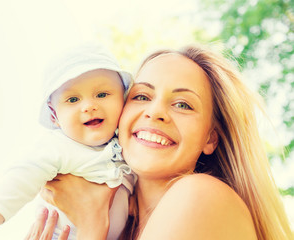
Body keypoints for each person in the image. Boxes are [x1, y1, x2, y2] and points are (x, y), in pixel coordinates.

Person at [25, 45, 293, 240]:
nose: (155, 112)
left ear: (210, 138)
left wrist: (92, 226)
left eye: (183, 104)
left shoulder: (199, 194)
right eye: (142, 96)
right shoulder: (126, 227)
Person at [0, 43, 136, 240]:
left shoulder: (130, 148)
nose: (89, 106)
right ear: (54, 115)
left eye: (102, 94)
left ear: (123, 99)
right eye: (72, 100)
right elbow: (23, 176)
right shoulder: (58, 147)